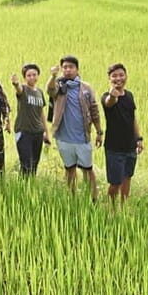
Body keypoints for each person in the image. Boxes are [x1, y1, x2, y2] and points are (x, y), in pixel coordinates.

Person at [47, 55, 103, 201]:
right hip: (63, 138)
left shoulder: (86, 88)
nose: (67, 70)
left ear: (77, 69)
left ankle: (94, 199)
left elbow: (94, 110)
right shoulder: (59, 86)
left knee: (88, 169)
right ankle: (72, 198)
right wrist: (53, 76)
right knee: (69, 168)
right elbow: (50, 90)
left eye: (71, 67)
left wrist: (99, 131)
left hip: (82, 137)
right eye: (65, 67)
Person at [102, 63, 144, 206]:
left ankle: (123, 207)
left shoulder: (129, 96)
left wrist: (138, 138)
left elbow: (132, 119)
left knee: (127, 178)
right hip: (114, 148)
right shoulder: (106, 97)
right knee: (115, 183)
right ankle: (111, 210)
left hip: (130, 147)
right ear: (109, 78)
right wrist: (113, 95)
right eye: (114, 76)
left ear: (126, 76)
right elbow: (109, 103)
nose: (118, 78)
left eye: (121, 75)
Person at [10, 64, 50, 176]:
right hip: (24, 132)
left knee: (34, 165)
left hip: (38, 132)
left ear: (38, 76)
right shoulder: (24, 89)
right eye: (28, 75)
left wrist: (47, 132)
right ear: (24, 77)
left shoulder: (40, 92)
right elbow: (18, 90)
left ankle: (30, 188)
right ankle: (22, 189)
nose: (32, 77)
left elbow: (41, 113)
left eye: (34, 75)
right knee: (26, 165)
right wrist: (16, 84)